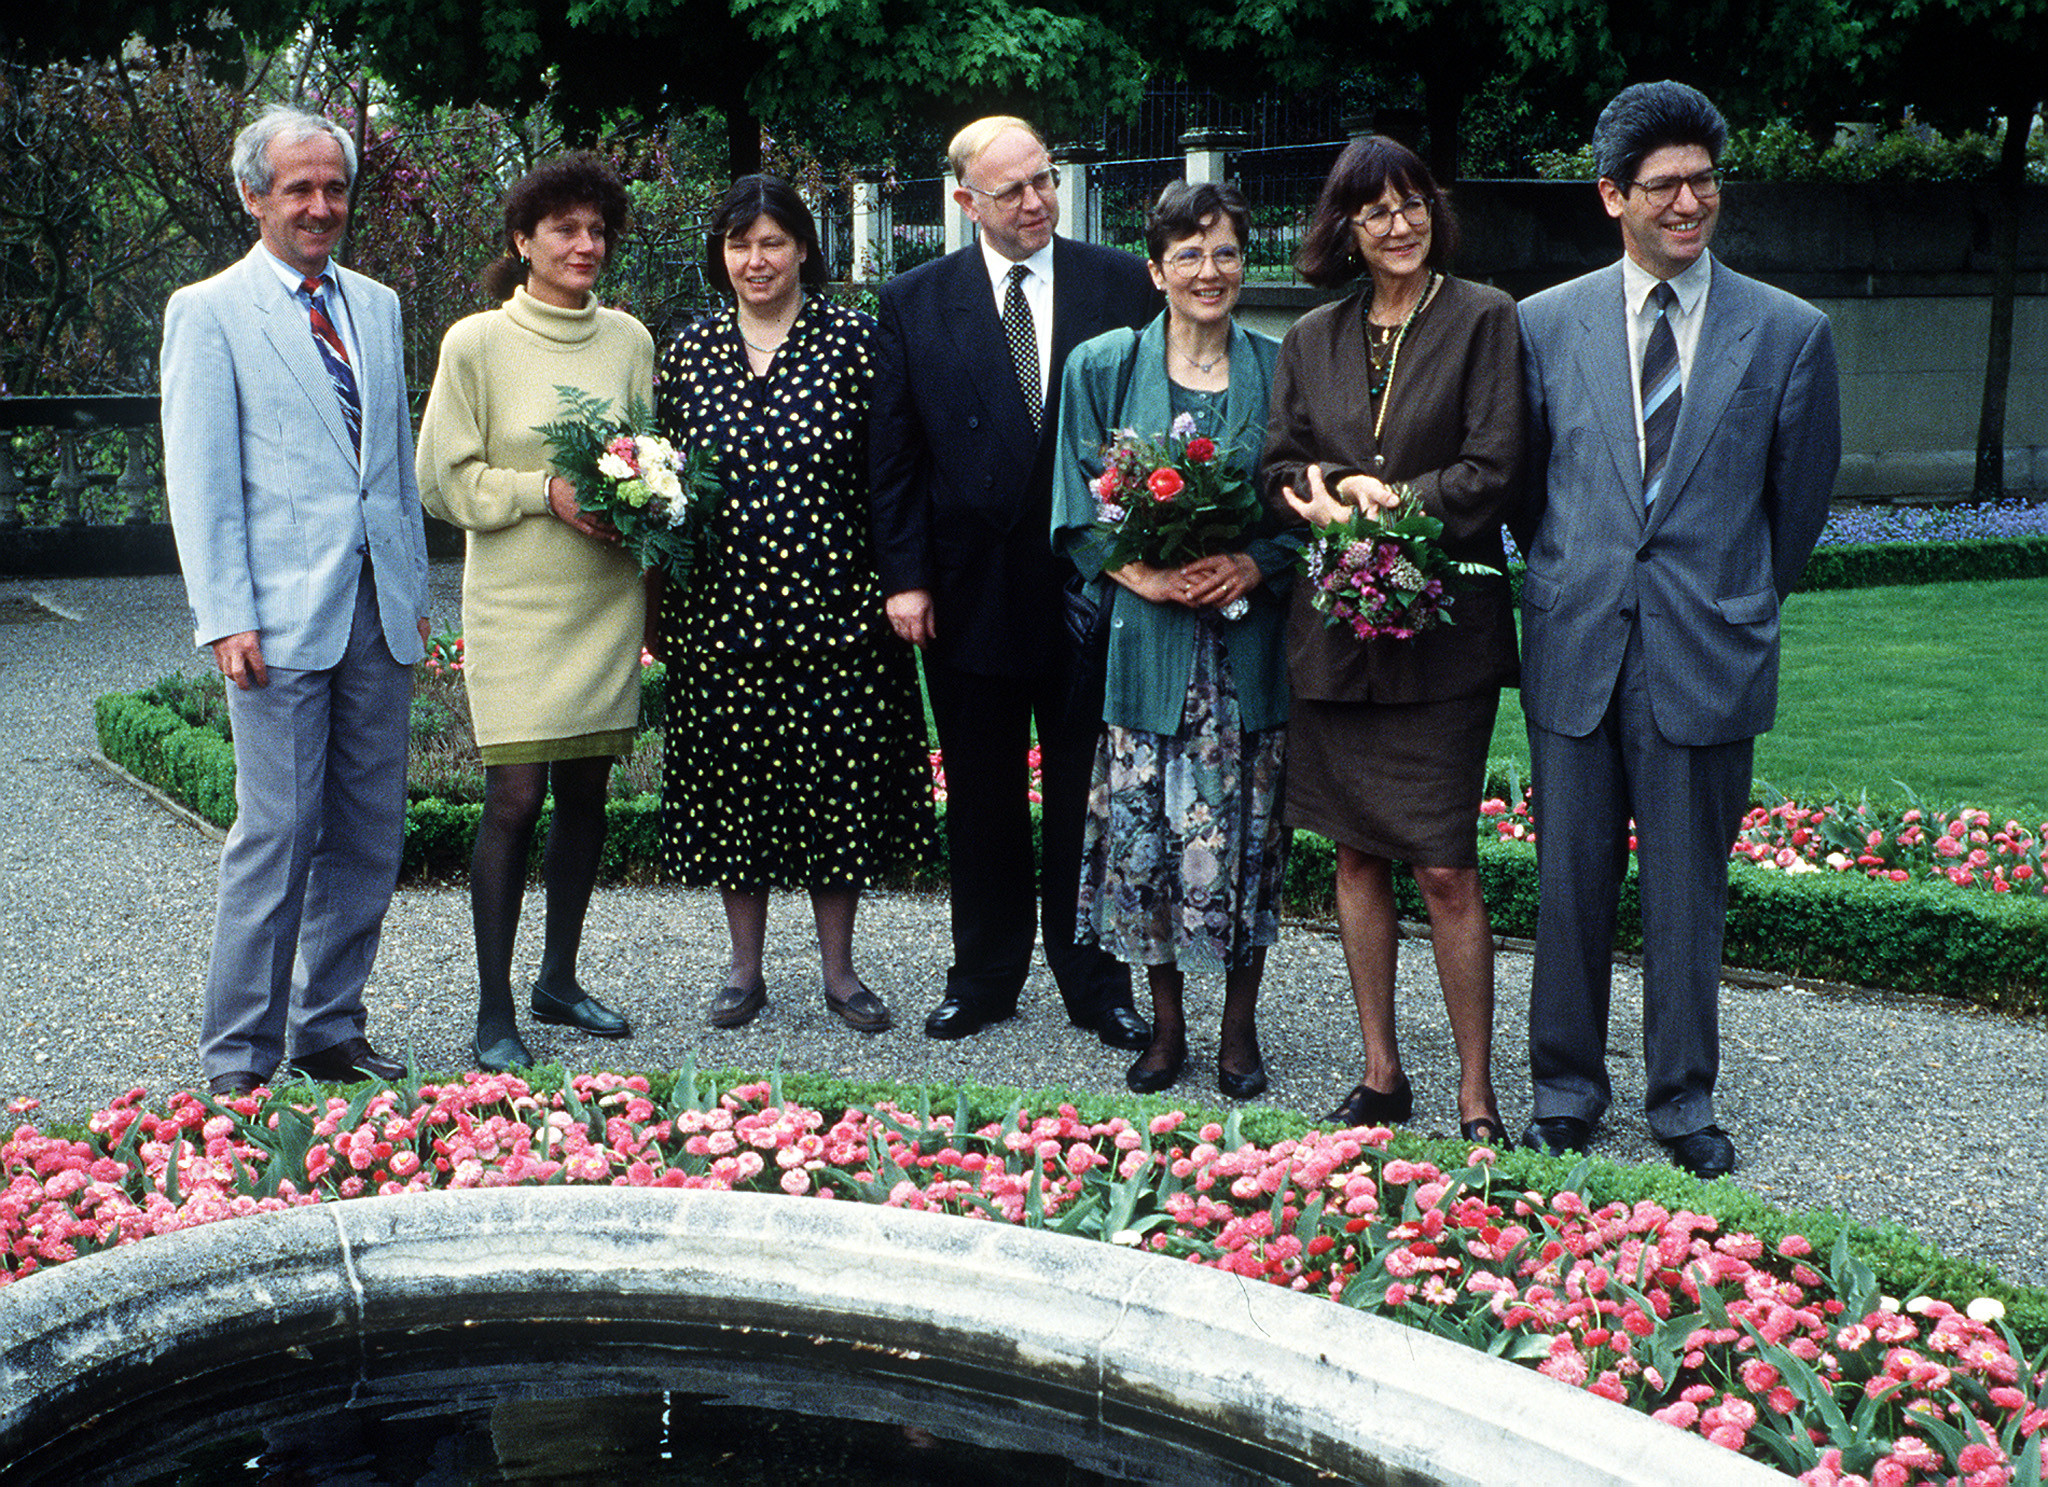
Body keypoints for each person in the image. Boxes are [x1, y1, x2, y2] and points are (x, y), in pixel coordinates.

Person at [1514, 82, 1841, 1178]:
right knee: (1566, 884)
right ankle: (1562, 1090)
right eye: (1662, 186)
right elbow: (1528, 492)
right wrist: (1582, 575)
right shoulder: (1542, 322)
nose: (1689, 202)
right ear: (1611, 195)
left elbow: (1791, 511)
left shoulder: (1789, 331)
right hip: (1574, 645)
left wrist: (1727, 596)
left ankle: (1679, 1098)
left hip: (1705, 650)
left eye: (1704, 180)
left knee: (1688, 892)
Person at [870, 116, 1159, 1048]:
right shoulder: (914, 298)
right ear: (965, 203)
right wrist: (906, 577)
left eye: (1044, 180)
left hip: (1093, 586)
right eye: (1012, 191)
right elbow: (895, 455)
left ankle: (1094, 980)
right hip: (967, 588)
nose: (1037, 201)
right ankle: (985, 973)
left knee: (1090, 791)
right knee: (984, 792)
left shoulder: (1120, 280)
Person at [161, 105, 431, 1097]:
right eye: (298, 189)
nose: (320, 207)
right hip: (271, 619)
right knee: (277, 831)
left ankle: (327, 1027)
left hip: (375, 607)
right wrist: (225, 611)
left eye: (334, 189)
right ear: (253, 195)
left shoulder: (377, 304)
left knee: (368, 828)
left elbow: (387, 468)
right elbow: (199, 478)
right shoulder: (209, 311)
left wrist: (408, 591)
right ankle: (238, 1054)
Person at [1262, 136, 1523, 1143]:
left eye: (1412, 201)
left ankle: (1474, 1091)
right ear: (1345, 228)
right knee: (1355, 856)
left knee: (1444, 863)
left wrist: (1391, 497)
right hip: (1333, 637)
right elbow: (1276, 468)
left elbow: (1493, 464)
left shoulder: (1482, 317)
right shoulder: (1310, 337)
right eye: (1373, 210)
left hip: (1439, 639)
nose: (1398, 223)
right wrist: (1318, 501)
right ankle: (1380, 1072)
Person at [655, 175, 934, 1033]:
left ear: (805, 247)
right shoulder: (689, 353)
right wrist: (656, 603)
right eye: (740, 244)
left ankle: (841, 973)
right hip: (722, 617)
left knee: (833, 788)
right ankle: (743, 971)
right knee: (737, 791)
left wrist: (902, 581)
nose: (756, 260)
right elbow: (660, 485)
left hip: (837, 612)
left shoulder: (856, 342)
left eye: (773, 242)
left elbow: (894, 472)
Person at [1052, 181, 1295, 1098]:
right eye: (1188, 254)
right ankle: (1164, 1029)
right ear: (1155, 270)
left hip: (1248, 658)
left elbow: (1307, 506)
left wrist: (1256, 564)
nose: (1209, 271)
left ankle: (1239, 1031)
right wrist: (1146, 574)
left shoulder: (1282, 366)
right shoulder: (1105, 366)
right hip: (1149, 650)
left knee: (1244, 841)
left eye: (1226, 252)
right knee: (1146, 842)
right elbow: (1075, 507)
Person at [415, 152, 652, 1072]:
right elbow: (446, 477)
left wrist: (639, 501)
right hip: (516, 601)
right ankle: (493, 1008)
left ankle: (559, 978)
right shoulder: (474, 343)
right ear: (524, 240)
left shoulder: (628, 338)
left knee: (588, 789)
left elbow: (644, 456)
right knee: (514, 796)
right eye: (566, 229)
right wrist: (540, 490)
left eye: (598, 230)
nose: (585, 244)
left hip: (603, 596)